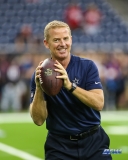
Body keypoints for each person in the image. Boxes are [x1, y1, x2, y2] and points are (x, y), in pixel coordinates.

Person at [29, 20, 112, 160]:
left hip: (94, 141)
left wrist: (70, 85)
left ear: (71, 40)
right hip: (59, 145)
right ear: (46, 43)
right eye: (56, 40)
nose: (62, 44)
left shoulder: (87, 66)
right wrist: (39, 88)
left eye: (65, 38)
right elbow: (38, 120)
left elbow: (99, 103)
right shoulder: (40, 74)